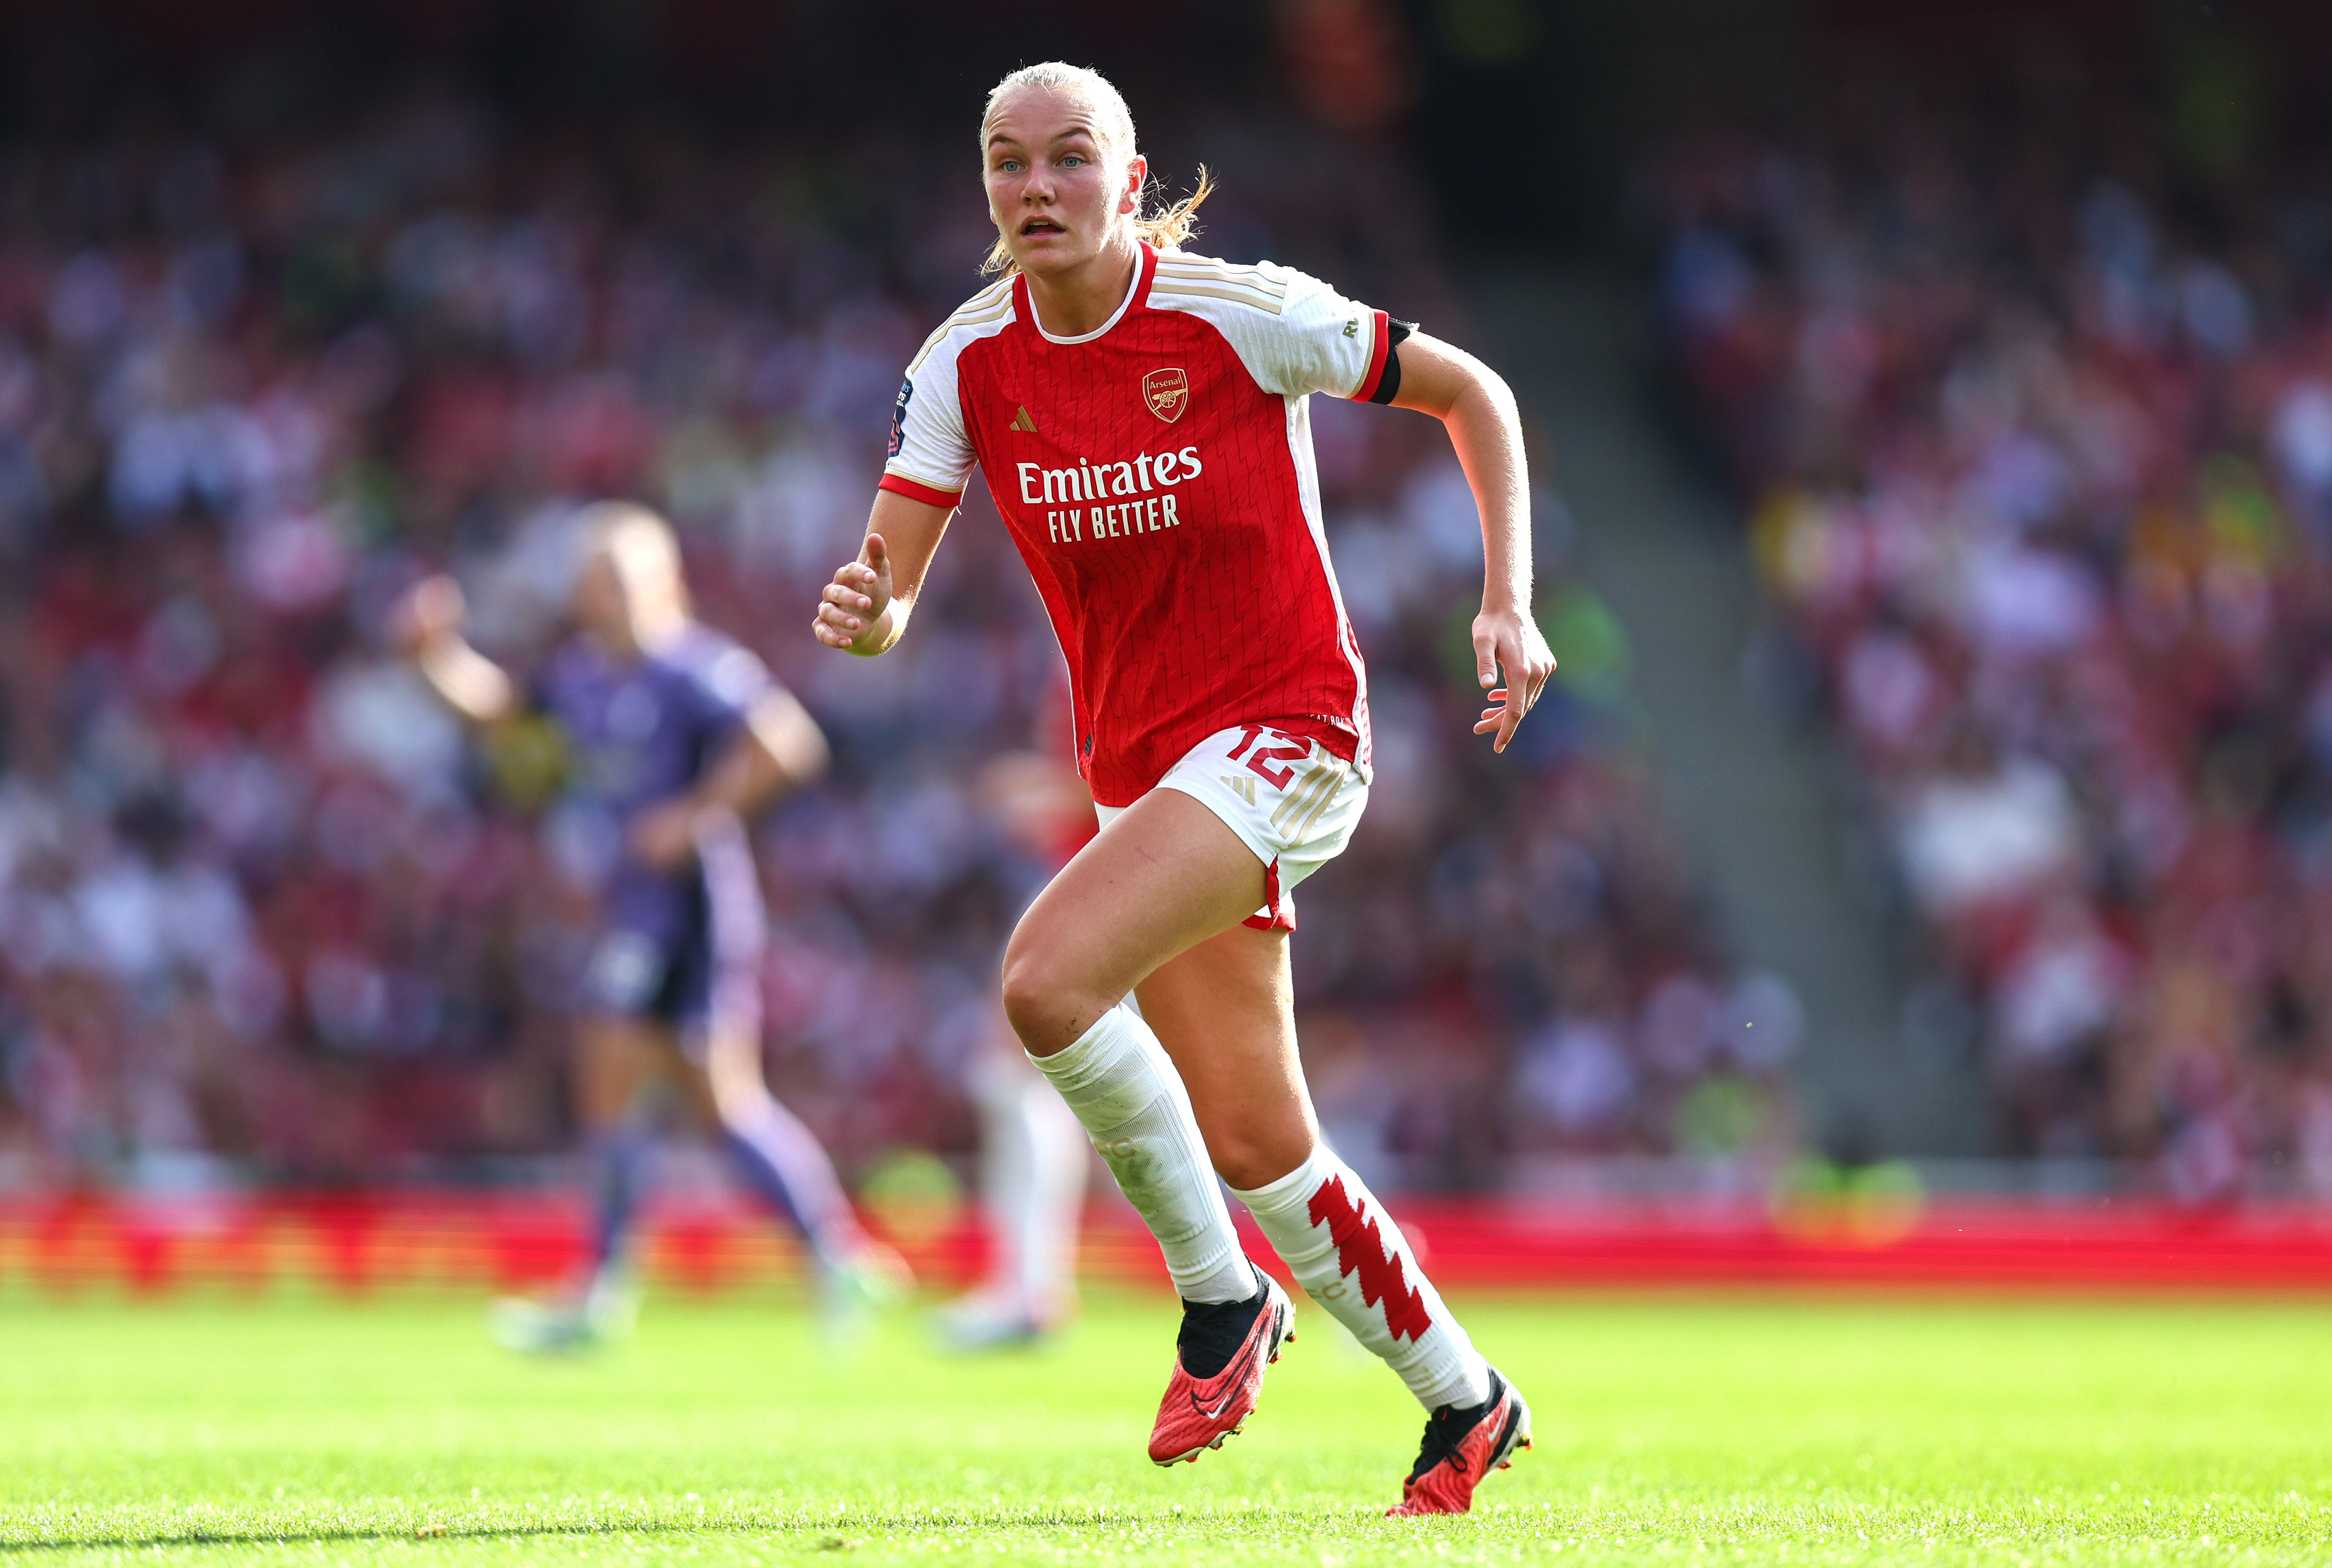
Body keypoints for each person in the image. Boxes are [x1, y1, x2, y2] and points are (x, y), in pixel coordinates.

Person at [811, 63, 1556, 1515]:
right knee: (1261, 1141)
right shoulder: (963, 361)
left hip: (1289, 733)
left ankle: (1218, 1301)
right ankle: (1463, 1400)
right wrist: (870, 609)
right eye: (1006, 163)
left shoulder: (1237, 310)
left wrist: (1507, 600)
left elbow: (1472, 390)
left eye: (1069, 161)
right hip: (1144, 774)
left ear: (1129, 177)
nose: (1035, 188)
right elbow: (890, 576)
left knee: (1040, 984)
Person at [394, 501, 909, 1350]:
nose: (612, 594)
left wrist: (693, 814)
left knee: (630, 1087)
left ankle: (603, 1292)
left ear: (665, 583)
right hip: (640, 911)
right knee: (714, 1108)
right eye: (599, 580)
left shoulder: (693, 669)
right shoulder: (584, 675)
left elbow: (788, 744)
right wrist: (435, 657)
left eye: (624, 577)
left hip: (688, 909)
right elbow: (500, 711)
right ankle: (831, 1257)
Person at [934, 665, 1099, 1351]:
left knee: (1013, 1077)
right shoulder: (1073, 657)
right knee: (1017, 1081)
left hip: (1120, 889)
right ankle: (1029, 1286)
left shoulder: (1117, 646)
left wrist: (1043, 791)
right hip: (1092, 885)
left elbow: (1147, 783)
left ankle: (1029, 1289)